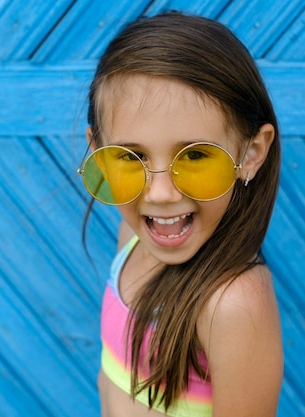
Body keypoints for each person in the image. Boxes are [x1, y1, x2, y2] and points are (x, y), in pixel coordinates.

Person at [77, 12, 283, 417]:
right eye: (130, 157)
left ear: (251, 154)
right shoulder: (129, 241)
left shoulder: (232, 304)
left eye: (196, 156)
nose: (160, 193)